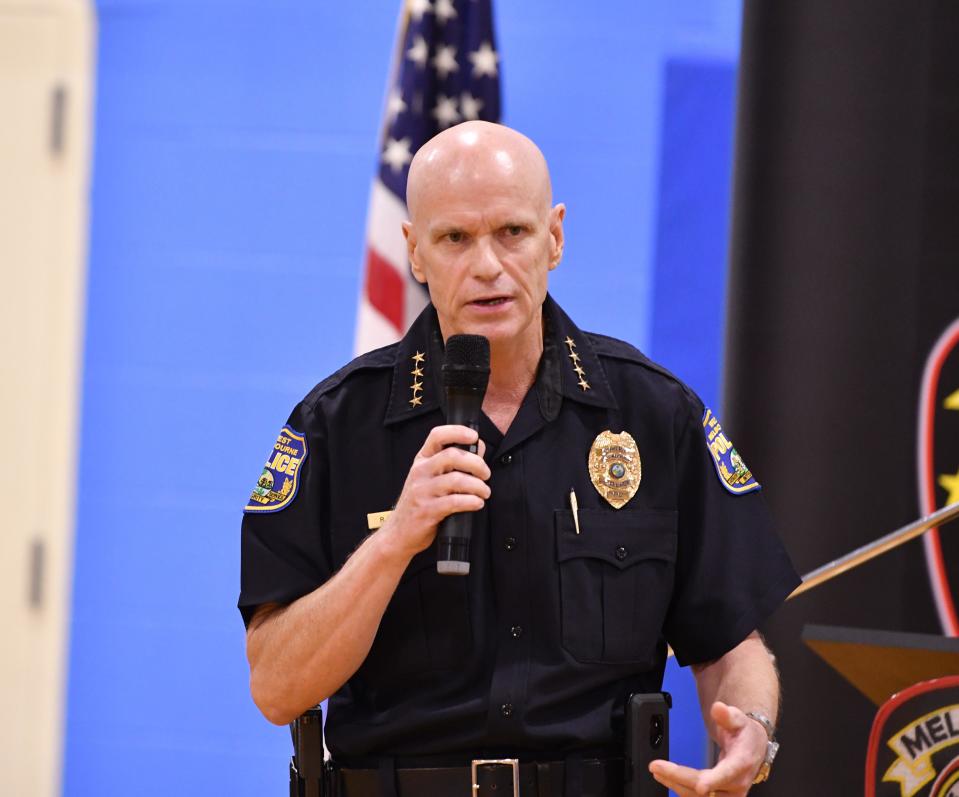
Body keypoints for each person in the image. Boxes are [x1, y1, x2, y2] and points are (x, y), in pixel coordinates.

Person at [239, 121, 800, 797]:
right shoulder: (336, 424)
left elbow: (729, 642)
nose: (486, 265)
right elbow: (276, 687)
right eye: (454, 238)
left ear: (554, 237)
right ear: (414, 251)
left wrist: (751, 727)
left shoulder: (652, 413)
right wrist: (392, 541)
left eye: (511, 232)